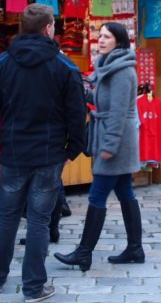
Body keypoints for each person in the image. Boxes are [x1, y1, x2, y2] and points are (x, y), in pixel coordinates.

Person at [0, 4, 85, 303]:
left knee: (8, 218)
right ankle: (34, 286)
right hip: (49, 153)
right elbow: (77, 114)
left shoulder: (2, 65)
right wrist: (73, 148)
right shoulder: (64, 67)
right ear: (49, 27)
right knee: (38, 220)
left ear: (21, 27)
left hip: (14, 151)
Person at [54, 22, 144, 271]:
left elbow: (116, 112)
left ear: (119, 41)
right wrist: (85, 92)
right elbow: (106, 102)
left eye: (107, 36)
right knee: (125, 191)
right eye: (100, 35)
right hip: (113, 138)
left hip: (115, 141)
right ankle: (135, 248)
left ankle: (84, 253)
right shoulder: (111, 67)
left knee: (97, 195)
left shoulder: (122, 71)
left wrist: (110, 145)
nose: (101, 40)